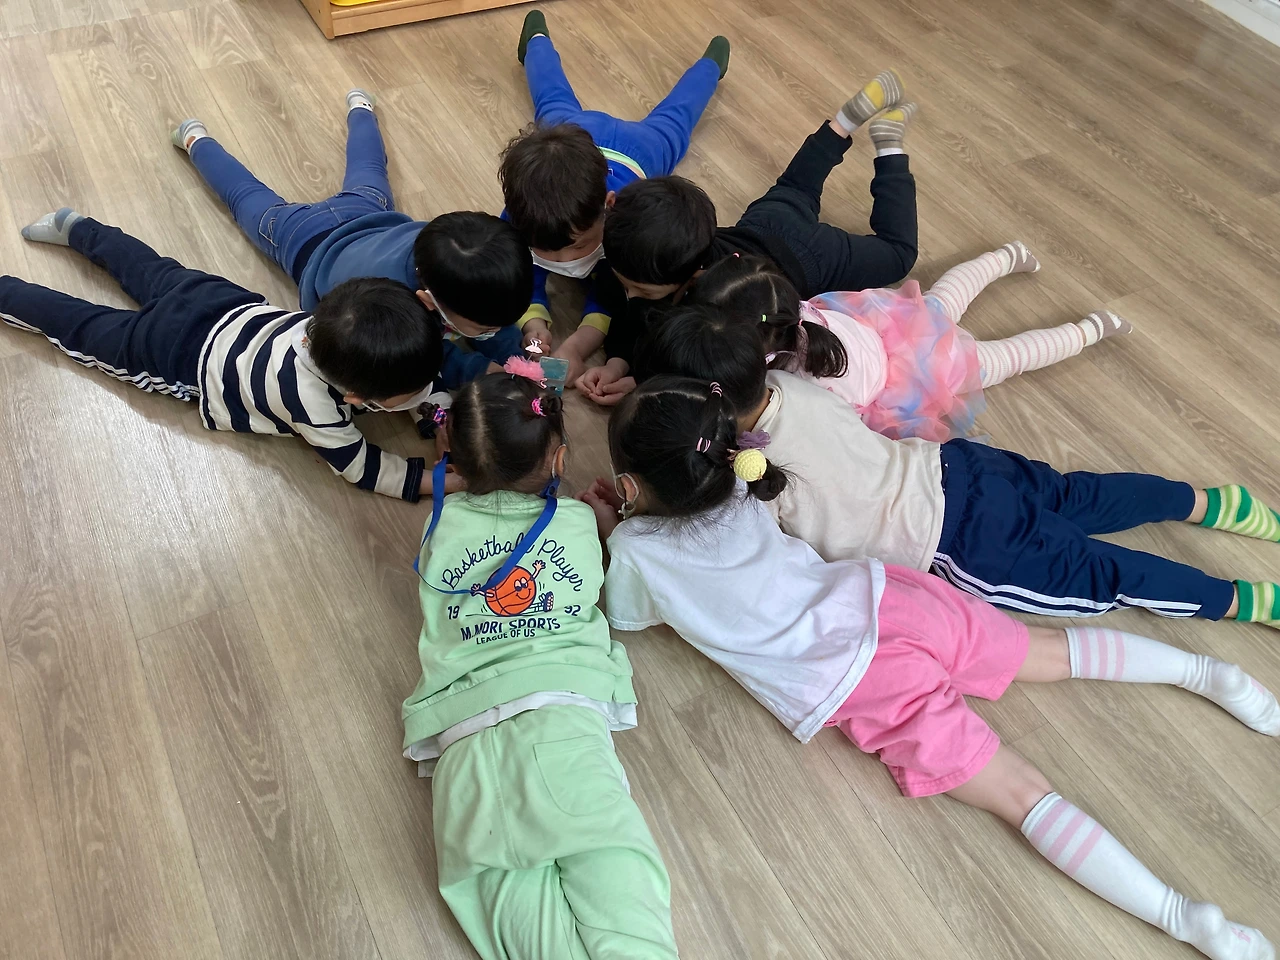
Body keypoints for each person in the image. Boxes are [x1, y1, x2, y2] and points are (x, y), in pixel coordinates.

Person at [581, 375, 1277, 960]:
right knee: (1049, 652)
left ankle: (1185, 919)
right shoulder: (745, 485)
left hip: (858, 683)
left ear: (629, 484)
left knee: (1021, 794)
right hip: (890, 598)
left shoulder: (639, 553)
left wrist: (614, 531)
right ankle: (1206, 674)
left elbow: (629, 614)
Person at [629, 304, 1280, 629]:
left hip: (962, 541)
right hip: (958, 467)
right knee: (1076, 494)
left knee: (1103, 574)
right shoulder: (791, 382)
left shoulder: (741, 476)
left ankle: (1240, 601)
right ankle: (1209, 502)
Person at [403, 365, 677, 959]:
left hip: (462, 730)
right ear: (559, 460)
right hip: (561, 710)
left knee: (500, 893)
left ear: (455, 461)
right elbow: (591, 583)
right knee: (615, 869)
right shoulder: (575, 522)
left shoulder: (439, 525)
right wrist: (601, 524)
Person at [4, 209, 446, 501]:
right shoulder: (313, 406)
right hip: (175, 354)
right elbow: (361, 467)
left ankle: (77, 226)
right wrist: (441, 481)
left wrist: (439, 416)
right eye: (410, 395)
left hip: (220, 300)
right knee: (83, 329)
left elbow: (411, 372)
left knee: (146, 267)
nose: (426, 391)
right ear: (355, 398)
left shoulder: (340, 323)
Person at [579, 69, 918, 405]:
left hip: (810, 258)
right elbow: (629, 316)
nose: (630, 296)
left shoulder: (710, 312)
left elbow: (688, 368)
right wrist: (616, 364)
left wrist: (638, 381)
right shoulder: (654, 255)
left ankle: (889, 147)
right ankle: (843, 122)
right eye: (625, 284)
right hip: (764, 224)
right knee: (796, 186)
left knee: (899, 253)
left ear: (695, 276)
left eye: (642, 291)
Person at [171, 89, 532, 389]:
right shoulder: (389, 307)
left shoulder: (446, 248)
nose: (495, 330)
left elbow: (490, 312)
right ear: (427, 300)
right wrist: (479, 371)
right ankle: (196, 140)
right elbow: (425, 361)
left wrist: (520, 355)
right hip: (303, 239)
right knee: (244, 197)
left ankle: (359, 107)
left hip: (367, 212)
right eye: (486, 328)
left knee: (366, 165)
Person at [687, 248, 1131, 441]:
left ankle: (1090, 329)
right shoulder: (787, 309)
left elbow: (839, 425)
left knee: (1005, 358)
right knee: (945, 297)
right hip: (889, 327)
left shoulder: (793, 383)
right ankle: (1008, 256)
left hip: (911, 382)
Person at [501, 9, 729, 383]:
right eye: (546, 251)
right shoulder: (521, 215)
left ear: (610, 207)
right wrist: (533, 321)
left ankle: (711, 65)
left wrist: (578, 345)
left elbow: (612, 294)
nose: (564, 261)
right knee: (550, 100)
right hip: (574, 133)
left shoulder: (629, 231)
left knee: (677, 118)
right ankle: (536, 41)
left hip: (640, 149)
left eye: (577, 247)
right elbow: (521, 272)